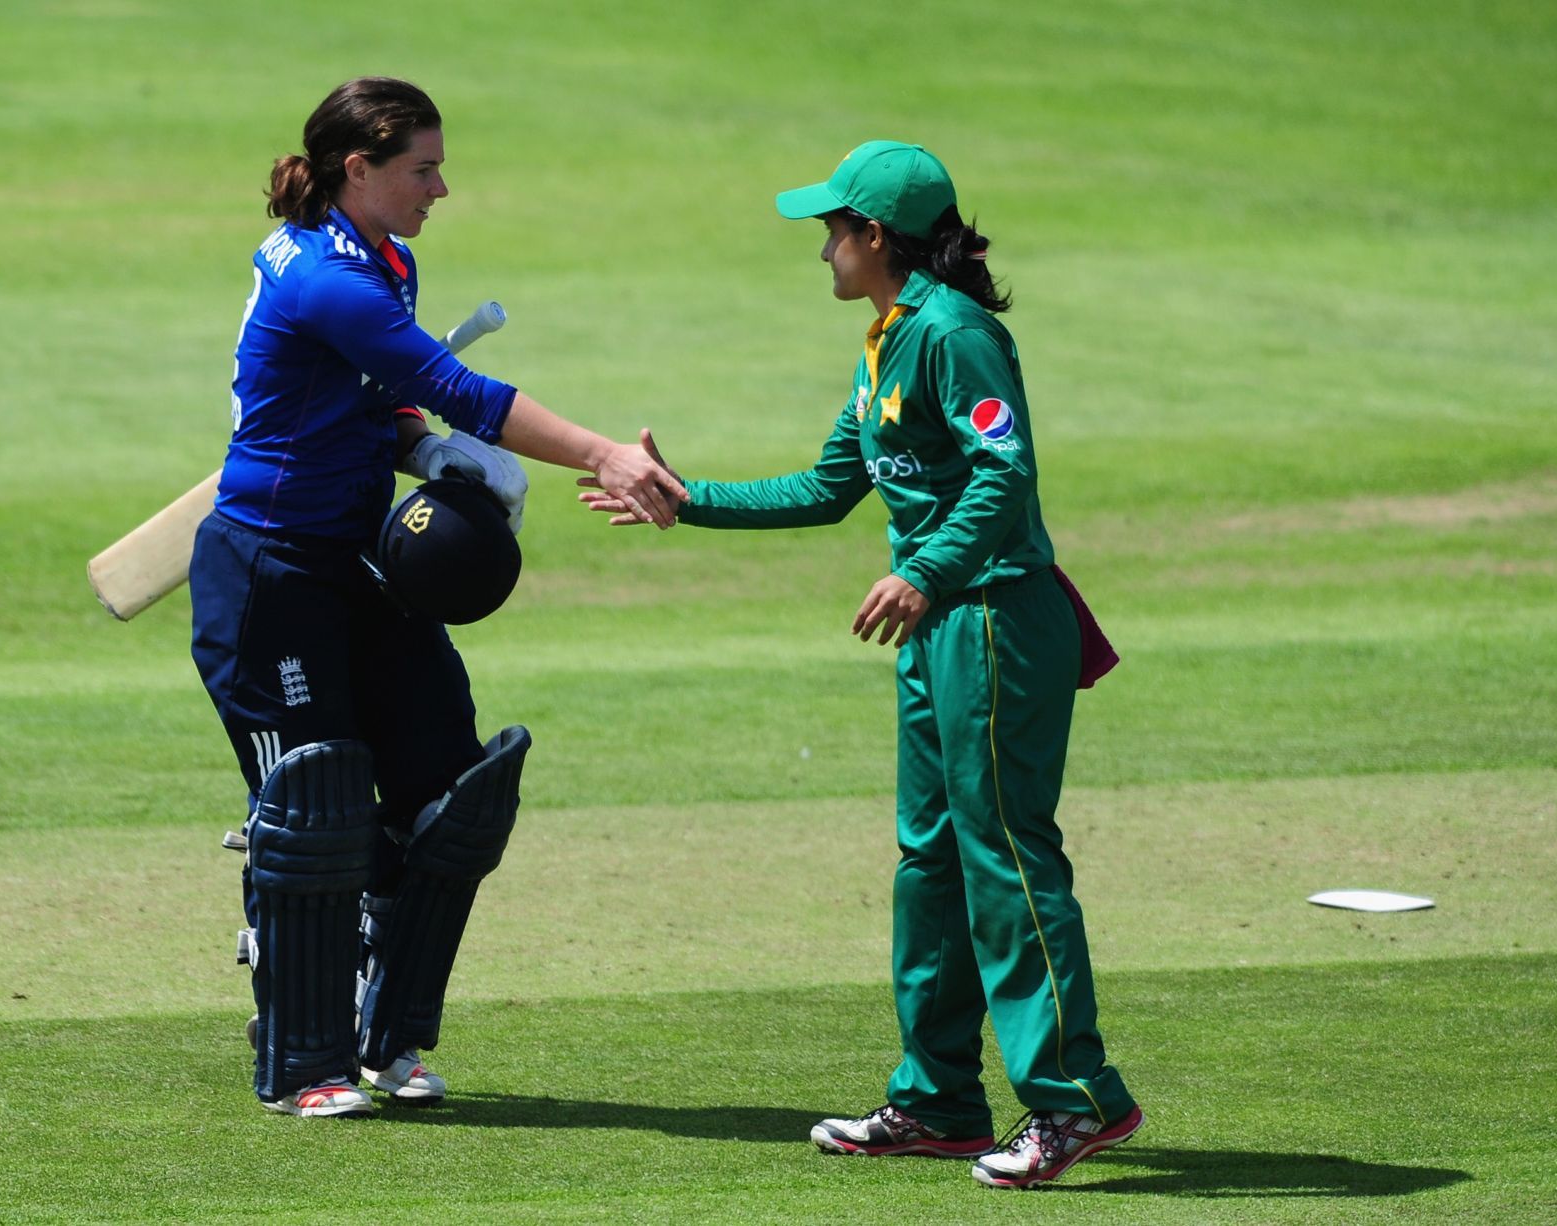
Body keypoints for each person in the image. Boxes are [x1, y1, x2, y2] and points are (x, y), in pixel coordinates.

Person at [582, 141, 1140, 1188]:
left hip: (992, 618)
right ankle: (938, 1096)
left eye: (832, 230)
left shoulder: (955, 333)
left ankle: (1076, 1101)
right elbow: (828, 486)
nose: (824, 249)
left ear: (876, 236)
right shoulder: (885, 340)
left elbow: (1003, 474)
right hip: (941, 630)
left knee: (1007, 856)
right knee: (928, 860)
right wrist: (682, 495)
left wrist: (924, 570)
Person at [193, 76, 687, 1119]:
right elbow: (457, 383)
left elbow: (389, 396)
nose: (442, 186)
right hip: (268, 574)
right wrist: (596, 452)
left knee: (450, 790)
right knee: (315, 806)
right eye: (422, 167)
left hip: (357, 556)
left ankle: (392, 1036)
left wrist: (423, 447)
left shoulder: (386, 257)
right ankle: (302, 1061)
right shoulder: (326, 279)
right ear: (356, 169)